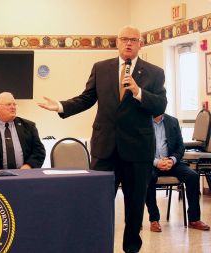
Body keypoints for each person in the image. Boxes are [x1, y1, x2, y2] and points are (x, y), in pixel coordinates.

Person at [38, 25, 167, 253]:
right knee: (97, 203)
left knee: (135, 207)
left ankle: (131, 248)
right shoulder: (101, 68)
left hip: (137, 151)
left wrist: (138, 92)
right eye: (124, 39)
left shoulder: (154, 73)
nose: (128, 43)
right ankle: (98, 246)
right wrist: (60, 106)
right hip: (105, 148)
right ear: (117, 42)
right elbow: (87, 98)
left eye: (133, 40)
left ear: (140, 44)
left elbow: (159, 105)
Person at [145, 114, 210, 232]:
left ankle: (194, 219)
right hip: (151, 163)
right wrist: (156, 162)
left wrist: (171, 160)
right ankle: (154, 219)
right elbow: (140, 149)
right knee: (147, 178)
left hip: (171, 162)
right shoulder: (143, 121)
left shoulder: (172, 122)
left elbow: (180, 147)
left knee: (193, 176)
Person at [0, 92, 45, 170]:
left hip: (25, 175)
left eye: (14, 104)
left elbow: (39, 151)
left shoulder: (29, 126)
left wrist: (28, 166)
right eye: (8, 104)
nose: (13, 107)